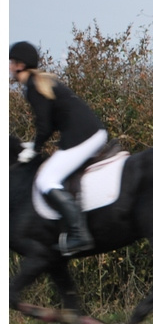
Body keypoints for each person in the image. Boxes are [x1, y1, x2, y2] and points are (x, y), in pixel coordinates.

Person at [10, 41, 108, 255]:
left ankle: (79, 234)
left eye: (11, 62)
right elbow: (50, 123)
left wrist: (34, 149)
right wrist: (33, 145)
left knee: (46, 180)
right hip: (88, 134)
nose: (9, 67)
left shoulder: (34, 87)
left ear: (19, 65)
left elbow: (44, 126)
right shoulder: (40, 82)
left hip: (83, 137)